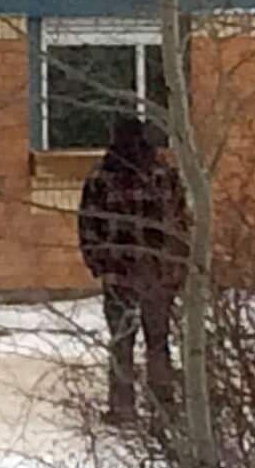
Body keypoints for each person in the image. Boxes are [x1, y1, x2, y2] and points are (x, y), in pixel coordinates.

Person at [78, 117, 190, 424]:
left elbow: (88, 224)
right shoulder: (162, 174)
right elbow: (180, 222)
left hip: (119, 273)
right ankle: (163, 406)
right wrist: (178, 265)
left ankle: (123, 407)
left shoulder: (102, 176)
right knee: (158, 341)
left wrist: (98, 263)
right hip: (158, 272)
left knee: (121, 340)